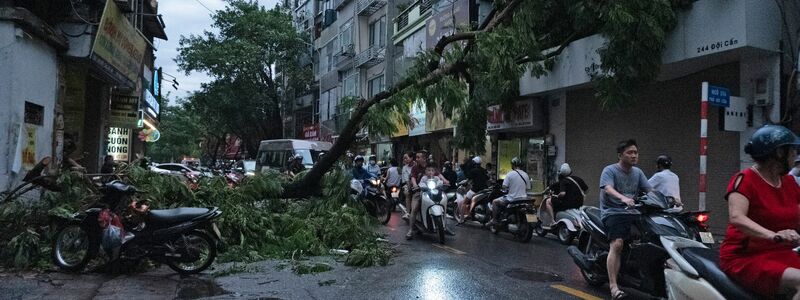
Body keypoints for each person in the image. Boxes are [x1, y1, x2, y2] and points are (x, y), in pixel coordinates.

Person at [720, 125, 800, 299]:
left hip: (781, 254)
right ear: (780, 153)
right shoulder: (745, 179)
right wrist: (772, 235)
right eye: (793, 151)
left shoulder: (789, 183)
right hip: (745, 257)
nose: (796, 156)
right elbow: (737, 217)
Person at [600, 139, 652, 300]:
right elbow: (608, 189)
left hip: (633, 212)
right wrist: (623, 198)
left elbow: (650, 190)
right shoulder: (609, 170)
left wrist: (670, 200)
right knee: (617, 244)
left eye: (636, 152)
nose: (634, 155)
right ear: (620, 155)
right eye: (630, 152)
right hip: (613, 212)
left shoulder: (638, 172)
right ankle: (614, 286)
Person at [408, 150, 449, 239]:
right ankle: (410, 230)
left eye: (419, 157)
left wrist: (445, 181)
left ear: (424, 158)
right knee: (414, 209)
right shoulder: (415, 168)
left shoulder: (430, 166)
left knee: (443, 201)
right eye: (416, 157)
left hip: (433, 190)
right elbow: (413, 178)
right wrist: (415, 185)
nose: (417, 159)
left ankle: (444, 225)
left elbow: (439, 175)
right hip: (420, 191)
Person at [488, 157, 530, 227]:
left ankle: (494, 220)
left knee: (495, 202)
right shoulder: (526, 175)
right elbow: (528, 188)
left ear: (513, 165)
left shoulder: (510, 174)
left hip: (512, 198)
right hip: (524, 198)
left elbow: (504, 187)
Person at [401, 151, 415, 220]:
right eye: (404, 159)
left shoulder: (417, 165)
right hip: (408, 184)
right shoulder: (404, 168)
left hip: (418, 184)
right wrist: (410, 187)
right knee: (407, 193)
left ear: (412, 158)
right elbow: (406, 180)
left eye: (406, 158)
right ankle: (408, 212)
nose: (405, 160)